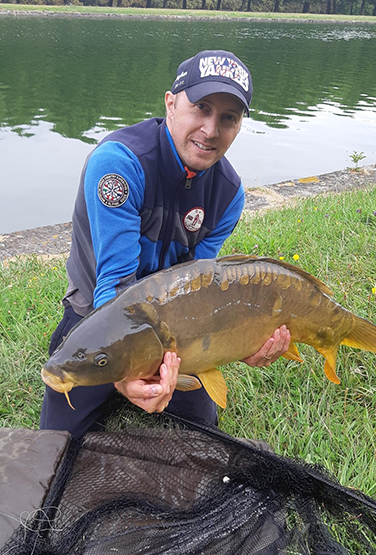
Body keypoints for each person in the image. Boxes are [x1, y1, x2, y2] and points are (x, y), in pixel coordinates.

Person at [40, 50, 290, 436]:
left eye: (228, 118)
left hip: (176, 324)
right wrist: (125, 368)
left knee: (202, 426)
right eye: (201, 108)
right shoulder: (120, 164)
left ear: (239, 126)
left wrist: (246, 340)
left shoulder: (229, 192)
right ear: (171, 104)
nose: (210, 130)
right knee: (59, 437)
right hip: (100, 315)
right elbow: (115, 285)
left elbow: (202, 286)